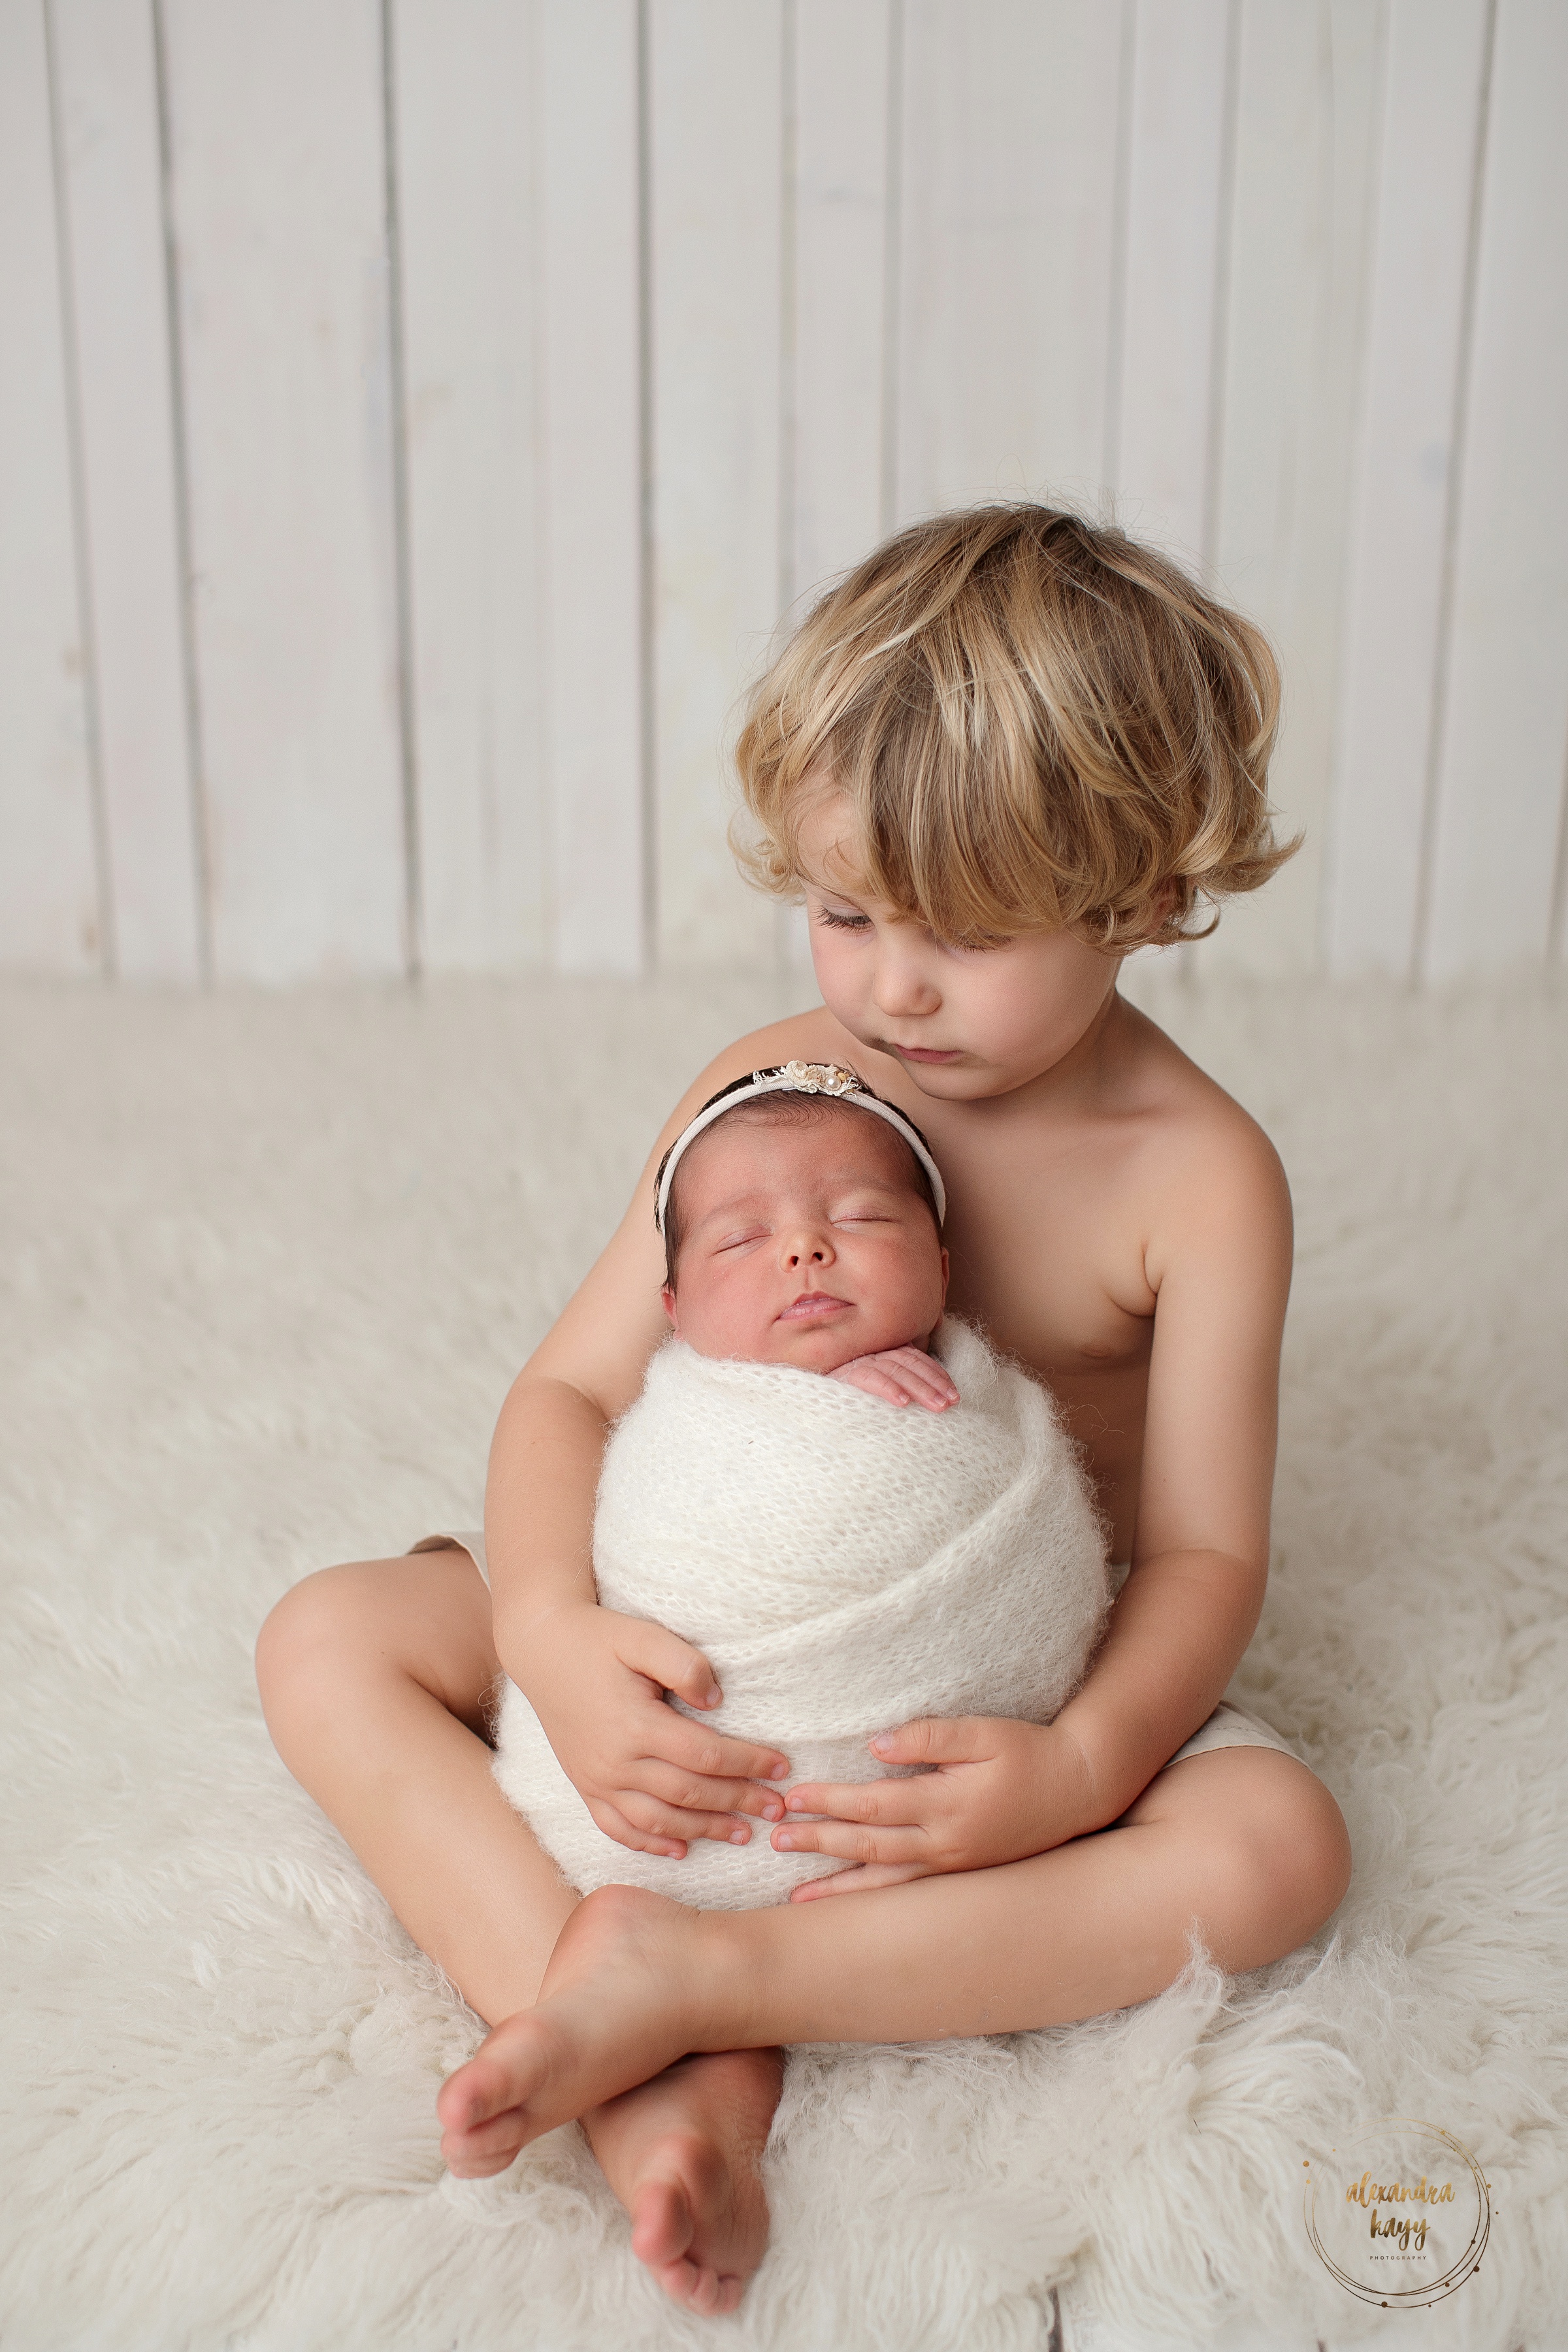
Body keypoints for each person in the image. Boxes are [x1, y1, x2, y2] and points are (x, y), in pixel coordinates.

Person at [256, 504, 1352, 2319]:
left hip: (976, 1693)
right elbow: (573, 1387)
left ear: (1146, 895)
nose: (892, 986)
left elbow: (1209, 1547)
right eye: (849, 912)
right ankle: (632, 2058)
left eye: (973, 933)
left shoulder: (1200, 1179)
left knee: (1280, 1848)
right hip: (695, 1633)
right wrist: (553, 1626)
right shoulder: (779, 1087)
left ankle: (717, 1987)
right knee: (328, 1637)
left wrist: (1079, 1767)